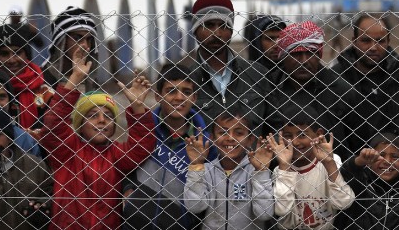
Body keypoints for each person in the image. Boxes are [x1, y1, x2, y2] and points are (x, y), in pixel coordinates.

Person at [38, 44, 157, 230]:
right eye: (93, 115)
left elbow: (143, 144)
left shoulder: (116, 154)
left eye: (109, 116)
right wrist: (75, 78)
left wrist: (138, 107)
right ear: (80, 124)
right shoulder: (67, 151)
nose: (102, 120)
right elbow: (53, 125)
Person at [122, 63, 214, 230]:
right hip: (135, 223)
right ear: (158, 96)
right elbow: (126, 163)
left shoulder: (205, 142)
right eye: (171, 91)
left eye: (186, 92)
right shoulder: (143, 131)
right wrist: (128, 190)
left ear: (194, 98)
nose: (179, 97)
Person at [261, 21, 362, 159]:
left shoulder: (341, 90)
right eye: (296, 54)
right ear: (283, 55)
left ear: (319, 54)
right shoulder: (269, 88)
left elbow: (358, 143)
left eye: (310, 53)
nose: (303, 60)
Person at [329, 12, 399, 147]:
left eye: (380, 41)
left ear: (389, 41)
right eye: (366, 41)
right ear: (354, 41)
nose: (373, 48)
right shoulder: (335, 79)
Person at [180, 0, 267, 129]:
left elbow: (275, 125)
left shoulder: (257, 74)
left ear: (232, 31)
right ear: (195, 30)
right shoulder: (186, 79)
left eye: (223, 25)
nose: (217, 33)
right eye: (209, 25)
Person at [182, 109, 276, 230]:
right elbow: (194, 207)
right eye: (223, 132)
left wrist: (261, 172)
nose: (230, 138)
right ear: (212, 139)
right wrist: (196, 165)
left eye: (239, 133)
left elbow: (264, 213)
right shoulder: (205, 170)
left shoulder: (255, 171)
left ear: (250, 139)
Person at [267, 109, 356, 230]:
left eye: (302, 134)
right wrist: (284, 166)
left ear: (318, 134)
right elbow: (281, 210)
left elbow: (344, 203)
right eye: (288, 136)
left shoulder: (331, 162)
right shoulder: (280, 170)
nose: (295, 142)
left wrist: (329, 163)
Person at [335, 131, 399, 230]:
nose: (387, 161)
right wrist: (359, 161)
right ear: (369, 162)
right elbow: (344, 172)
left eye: (394, 157)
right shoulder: (362, 181)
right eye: (381, 155)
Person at [0, 21, 50, 133]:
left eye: (17, 53)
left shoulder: (44, 90)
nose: (11, 60)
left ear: (26, 55)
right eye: (4, 54)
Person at [43, 6, 103, 94]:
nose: (85, 45)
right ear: (62, 42)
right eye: (77, 38)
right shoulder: (42, 78)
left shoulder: (91, 80)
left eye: (89, 40)